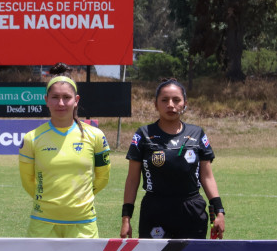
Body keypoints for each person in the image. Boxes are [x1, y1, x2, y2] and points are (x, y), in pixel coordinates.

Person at [120, 78, 225, 240]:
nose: (170, 104)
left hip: (191, 210)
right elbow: (132, 179)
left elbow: (207, 176)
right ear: (156, 104)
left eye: (176, 100)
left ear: (185, 104)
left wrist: (219, 211)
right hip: (155, 210)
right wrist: (126, 218)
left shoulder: (197, 133)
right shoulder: (143, 134)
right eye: (164, 100)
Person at [19, 64, 111, 238]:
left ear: (76, 100)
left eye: (66, 97)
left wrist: (80, 199)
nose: (60, 103)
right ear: (46, 100)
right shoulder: (32, 138)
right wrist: (49, 202)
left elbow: (103, 177)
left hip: (83, 223)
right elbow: (27, 181)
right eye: (55, 97)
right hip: (43, 222)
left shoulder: (96, 136)